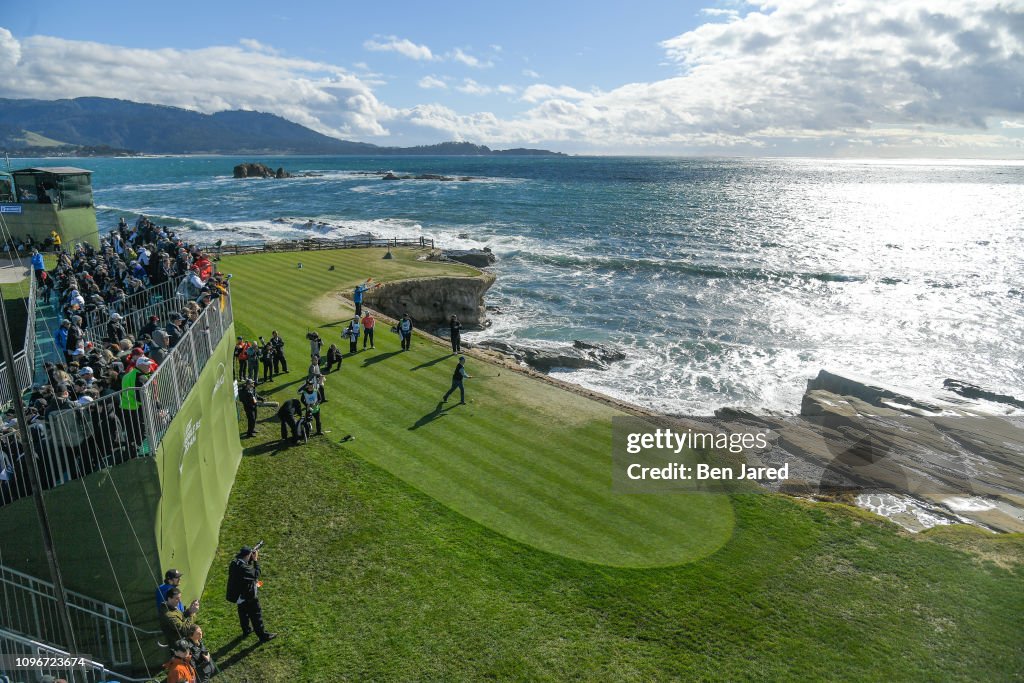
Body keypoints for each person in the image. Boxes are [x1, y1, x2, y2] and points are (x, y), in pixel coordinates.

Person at [226, 545, 276, 642]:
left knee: (243, 613)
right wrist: (256, 560)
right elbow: (256, 573)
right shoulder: (244, 568)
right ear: (248, 555)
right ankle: (263, 636)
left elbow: (245, 568)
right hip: (248, 596)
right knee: (256, 615)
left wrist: (250, 559)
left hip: (238, 596)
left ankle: (246, 630)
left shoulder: (234, 563)